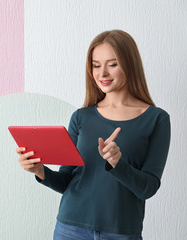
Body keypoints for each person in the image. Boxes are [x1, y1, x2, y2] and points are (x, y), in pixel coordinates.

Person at [16, 30, 171, 240]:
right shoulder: (81, 117)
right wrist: (40, 170)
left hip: (121, 232)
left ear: (130, 64)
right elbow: (65, 181)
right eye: (96, 65)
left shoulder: (156, 119)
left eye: (112, 64)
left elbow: (148, 189)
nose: (102, 73)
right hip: (70, 229)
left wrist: (118, 164)